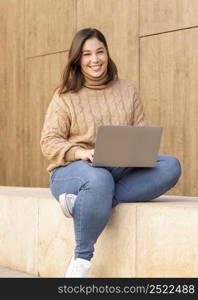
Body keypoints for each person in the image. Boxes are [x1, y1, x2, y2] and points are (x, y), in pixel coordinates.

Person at [40, 28, 181, 278]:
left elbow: (141, 132)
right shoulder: (65, 96)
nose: (95, 59)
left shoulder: (127, 89)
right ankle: (82, 259)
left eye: (100, 52)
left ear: (107, 53)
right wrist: (79, 151)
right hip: (73, 171)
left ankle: (89, 202)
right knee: (99, 179)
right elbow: (48, 141)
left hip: (117, 167)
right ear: (77, 59)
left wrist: (137, 151)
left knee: (171, 166)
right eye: (87, 54)